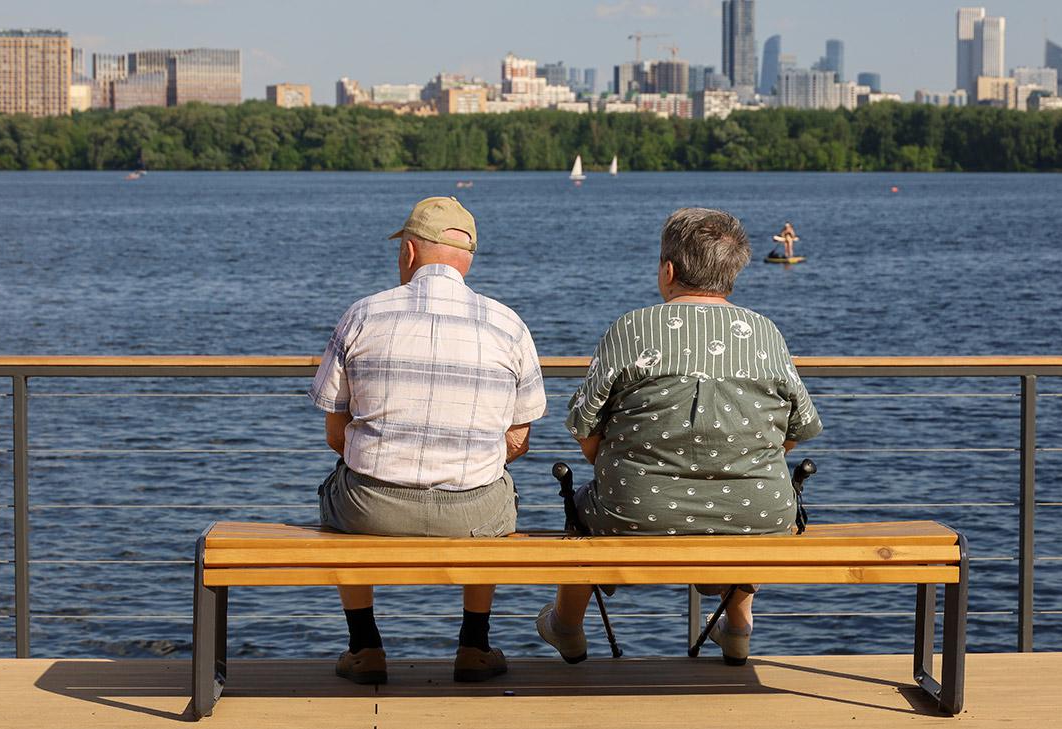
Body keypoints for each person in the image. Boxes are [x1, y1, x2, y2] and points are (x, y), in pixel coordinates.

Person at [536, 208, 822, 665]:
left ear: (668, 270)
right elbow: (799, 429)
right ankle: (738, 627)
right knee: (749, 497)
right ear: (732, 272)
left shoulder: (632, 329)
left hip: (635, 507)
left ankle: (566, 626)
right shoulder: (765, 333)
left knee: (583, 510)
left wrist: (625, 465)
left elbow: (583, 427)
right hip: (759, 513)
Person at [309, 196, 548, 684]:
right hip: (473, 513)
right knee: (497, 489)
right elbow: (519, 439)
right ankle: (474, 646)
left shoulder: (362, 315)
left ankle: (365, 646)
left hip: (371, 508)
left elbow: (337, 435)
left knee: (339, 487)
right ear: (467, 259)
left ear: (411, 253)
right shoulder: (509, 325)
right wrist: (472, 459)